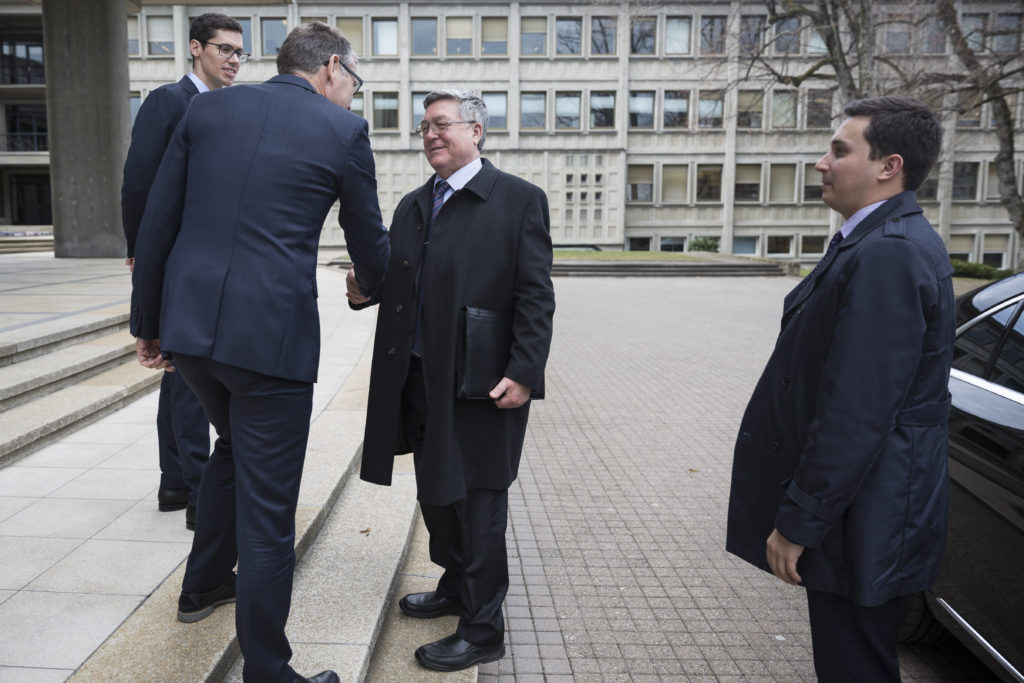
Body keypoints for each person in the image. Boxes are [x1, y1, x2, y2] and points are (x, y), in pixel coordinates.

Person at [130, 22, 389, 683]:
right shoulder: (344, 133)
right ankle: (269, 671)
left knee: (235, 450)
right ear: (332, 68)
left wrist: (149, 323)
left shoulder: (208, 108)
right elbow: (373, 255)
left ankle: (204, 584)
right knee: (272, 517)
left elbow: (160, 217)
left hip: (191, 331)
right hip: (269, 345)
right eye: (354, 82)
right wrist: (368, 288)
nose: (353, 96)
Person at [726, 96, 954, 682]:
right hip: (864, 508)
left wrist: (798, 522)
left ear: (889, 166)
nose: (822, 163)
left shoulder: (888, 255)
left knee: (854, 663)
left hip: (863, 514)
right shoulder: (874, 240)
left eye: (839, 150)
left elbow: (857, 410)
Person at [349, 88, 555, 672]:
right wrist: (366, 292)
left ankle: (484, 627)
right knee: (436, 493)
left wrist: (524, 371)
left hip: (482, 383)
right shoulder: (414, 204)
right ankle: (456, 583)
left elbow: (535, 294)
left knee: (479, 501)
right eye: (424, 128)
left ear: (476, 131)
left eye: (442, 124)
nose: (431, 135)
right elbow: (405, 282)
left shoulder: (518, 200)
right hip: (415, 376)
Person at [121, 12, 246, 530]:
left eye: (240, 52)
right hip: (173, 260)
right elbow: (138, 183)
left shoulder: (228, 107)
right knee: (189, 379)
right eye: (224, 50)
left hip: (201, 260)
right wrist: (140, 251)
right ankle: (198, 494)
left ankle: (174, 482)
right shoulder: (169, 102)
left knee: (178, 379)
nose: (234, 60)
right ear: (195, 48)